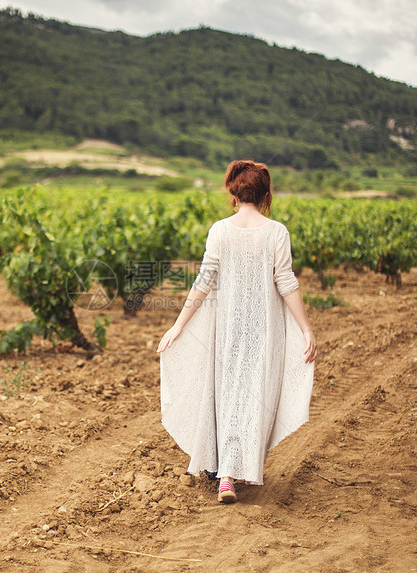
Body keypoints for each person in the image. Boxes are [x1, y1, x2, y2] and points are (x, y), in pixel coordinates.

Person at [157, 159, 317, 504]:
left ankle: (226, 471)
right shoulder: (276, 232)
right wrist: (305, 328)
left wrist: (179, 324)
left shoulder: (220, 230)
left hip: (226, 327)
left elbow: (203, 283)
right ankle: (229, 471)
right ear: (264, 195)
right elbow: (286, 283)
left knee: (227, 390)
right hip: (265, 328)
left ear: (234, 193)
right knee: (253, 391)